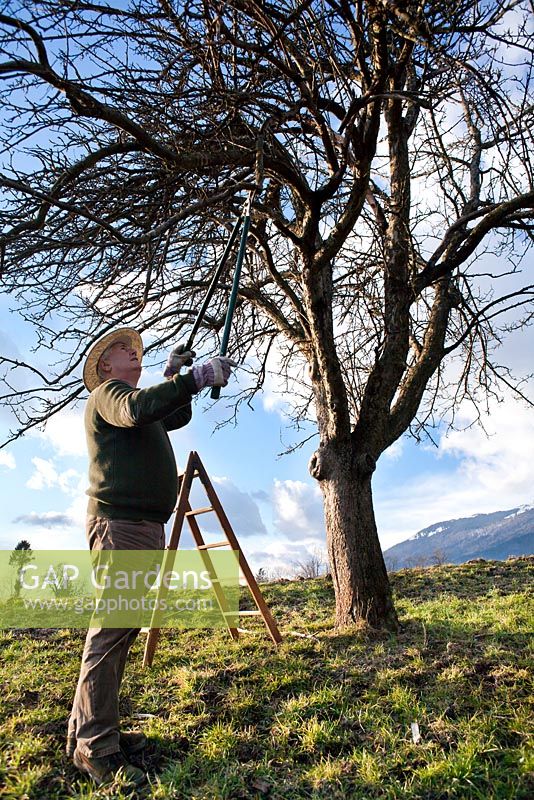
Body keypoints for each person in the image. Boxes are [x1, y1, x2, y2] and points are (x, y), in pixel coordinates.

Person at [68, 327, 236, 787]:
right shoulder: (108, 396)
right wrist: (196, 377)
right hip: (120, 525)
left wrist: (174, 375)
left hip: (137, 526)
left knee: (118, 633)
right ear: (105, 365)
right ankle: (96, 748)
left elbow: (169, 414)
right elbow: (139, 407)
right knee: (112, 631)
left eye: (139, 352)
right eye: (127, 351)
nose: (134, 355)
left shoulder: (134, 406)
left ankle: (90, 733)